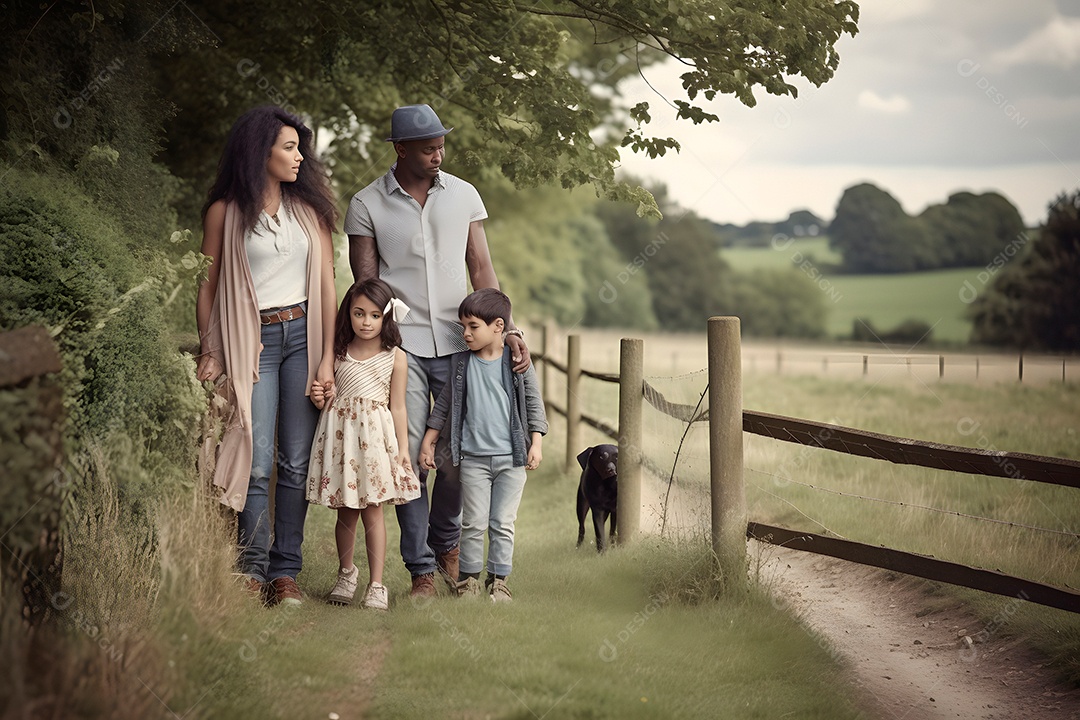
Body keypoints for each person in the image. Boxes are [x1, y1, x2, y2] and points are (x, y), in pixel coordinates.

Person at [346, 104, 531, 597]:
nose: (438, 155)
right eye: (428, 148)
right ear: (400, 150)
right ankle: (421, 568)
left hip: (459, 346)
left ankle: (447, 541)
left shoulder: (464, 195)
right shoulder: (366, 204)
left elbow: (481, 268)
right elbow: (365, 285)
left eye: (441, 146)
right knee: (407, 456)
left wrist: (507, 329)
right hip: (400, 350)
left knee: (454, 458)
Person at [196, 105, 338, 607]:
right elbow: (208, 285)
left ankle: (285, 572)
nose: (300, 157)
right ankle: (252, 569)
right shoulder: (225, 213)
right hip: (250, 341)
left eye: (299, 147)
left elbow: (326, 285)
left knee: (295, 462)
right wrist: (211, 349)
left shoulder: (310, 213)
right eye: (289, 147)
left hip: (304, 336)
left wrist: (326, 361)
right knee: (256, 459)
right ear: (262, 152)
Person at [419, 288, 546, 602]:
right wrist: (428, 441)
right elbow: (444, 405)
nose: (466, 334)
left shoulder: (517, 362)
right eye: (464, 327)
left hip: (512, 459)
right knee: (473, 523)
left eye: (473, 327)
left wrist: (536, 444)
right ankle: (469, 581)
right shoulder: (461, 364)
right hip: (473, 460)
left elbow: (533, 403)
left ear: (498, 327)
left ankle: (499, 581)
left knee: (502, 522)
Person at [306, 279, 421, 610]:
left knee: (373, 513)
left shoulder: (395, 358)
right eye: (359, 314)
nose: (366, 322)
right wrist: (318, 396)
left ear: (386, 318)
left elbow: (397, 406)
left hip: (374, 445)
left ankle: (376, 584)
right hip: (342, 442)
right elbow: (324, 396)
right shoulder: (337, 353)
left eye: (374, 315)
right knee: (345, 513)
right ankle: (346, 573)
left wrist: (402, 449)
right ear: (349, 314)